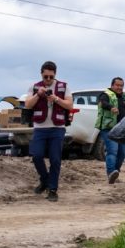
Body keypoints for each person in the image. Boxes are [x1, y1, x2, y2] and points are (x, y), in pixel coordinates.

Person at [25, 61, 73, 202]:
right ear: (41, 74)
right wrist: (38, 95)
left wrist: (56, 99)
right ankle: (44, 180)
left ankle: (52, 189)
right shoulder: (34, 87)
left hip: (57, 128)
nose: (48, 80)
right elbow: (27, 104)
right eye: (45, 77)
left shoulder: (64, 87)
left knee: (55, 159)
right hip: (40, 128)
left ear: (55, 75)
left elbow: (70, 105)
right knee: (36, 156)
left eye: (51, 77)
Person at [96, 76, 125, 184]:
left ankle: (115, 173)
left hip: (122, 130)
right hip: (109, 129)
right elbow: (103, 103)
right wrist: (111, 107)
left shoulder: (124, 98)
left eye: (121, 86)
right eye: (117, 85)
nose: (119, 87)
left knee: (123, 153)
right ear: (112, 85)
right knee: (112, 151)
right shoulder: (105, 94)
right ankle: (111, 173)